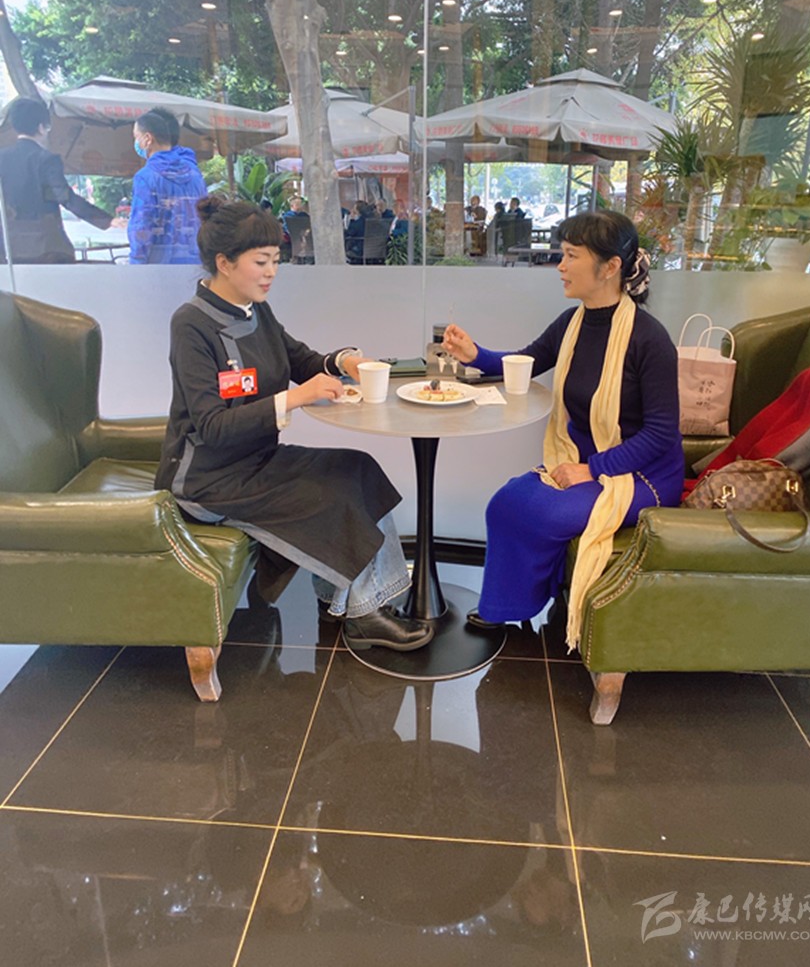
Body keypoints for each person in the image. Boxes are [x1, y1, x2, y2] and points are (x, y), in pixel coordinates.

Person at [156, 194, 432, 653]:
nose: (271, 273)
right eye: (261, 262)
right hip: (209, 479)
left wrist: (343, 361)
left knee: (357, 468)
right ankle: (365, 614)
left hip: (255, 460)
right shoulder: (192, 324)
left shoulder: (255, 309)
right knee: (332, 494)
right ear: (224, 262)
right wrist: (296, 398)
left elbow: (297, 359)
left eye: (275, 261)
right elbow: (212, 426)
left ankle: (350, 601)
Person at [442, 210, 683, 647]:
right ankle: (508, 607)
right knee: (504, 503)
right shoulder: (572, 323)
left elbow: (661, 434)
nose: (560, 265)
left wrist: (593, 470)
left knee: (544, 512)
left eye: (572, 255)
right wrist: (474, 354)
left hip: (643, 477)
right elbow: (526, 362)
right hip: (585, 462)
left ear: (610, 267)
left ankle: (534, 599)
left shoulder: (650, 340)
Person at [0, 96, 115, 263]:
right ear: (41, 128)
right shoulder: (46, 159)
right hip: (46, 248)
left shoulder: (2, 158)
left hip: (8, 249)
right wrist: (107, 220)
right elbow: (65, 197)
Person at [129, 106, 207, 264]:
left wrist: (136, 264)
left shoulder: (145, 177)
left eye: (136, 137)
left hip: (158, 267)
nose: (136, 142)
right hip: (195, 263)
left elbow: (141, 227)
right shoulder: (195, 174)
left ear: (147, 139)